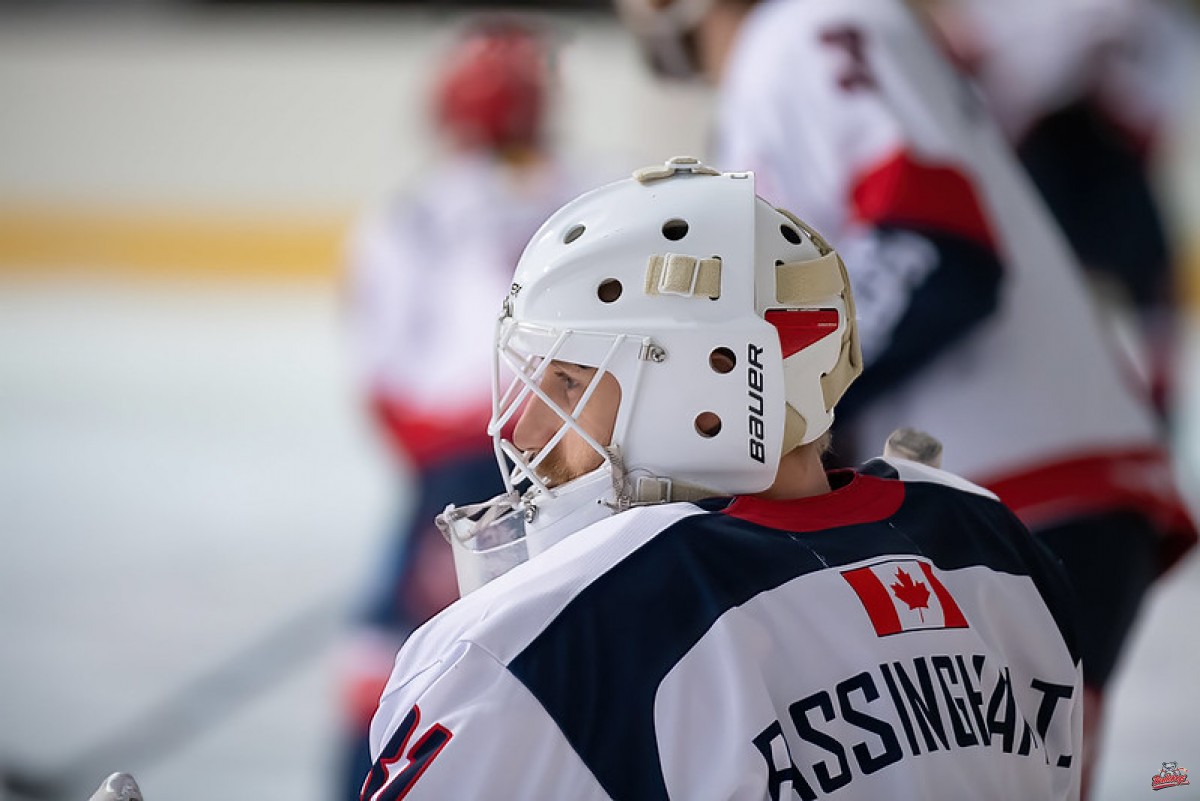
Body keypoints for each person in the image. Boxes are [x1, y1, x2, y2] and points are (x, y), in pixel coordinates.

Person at [361, 157, 1083, 800]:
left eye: (570, 381)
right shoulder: (996, 550)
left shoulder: (537, 645)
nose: (525, 431)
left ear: (712, 388)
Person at [614, 1, 1196, 797]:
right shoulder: (800, 41)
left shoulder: (803, 31)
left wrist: (749, 422)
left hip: (1007, 495)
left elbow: (933, 239)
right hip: (1013, 490)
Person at [338, 17, 595, 799]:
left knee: (396, 648)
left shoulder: (410, 212)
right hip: (580, 446)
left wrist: (443, 460)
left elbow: (381, 371)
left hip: (462, 459)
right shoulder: (590, 190)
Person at [917, 0, 1199, 417]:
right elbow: (967, 55)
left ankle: (1155, 409)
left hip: (1108, 147)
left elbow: (1158, 57)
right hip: (1034, 157)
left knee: (1148, 306)